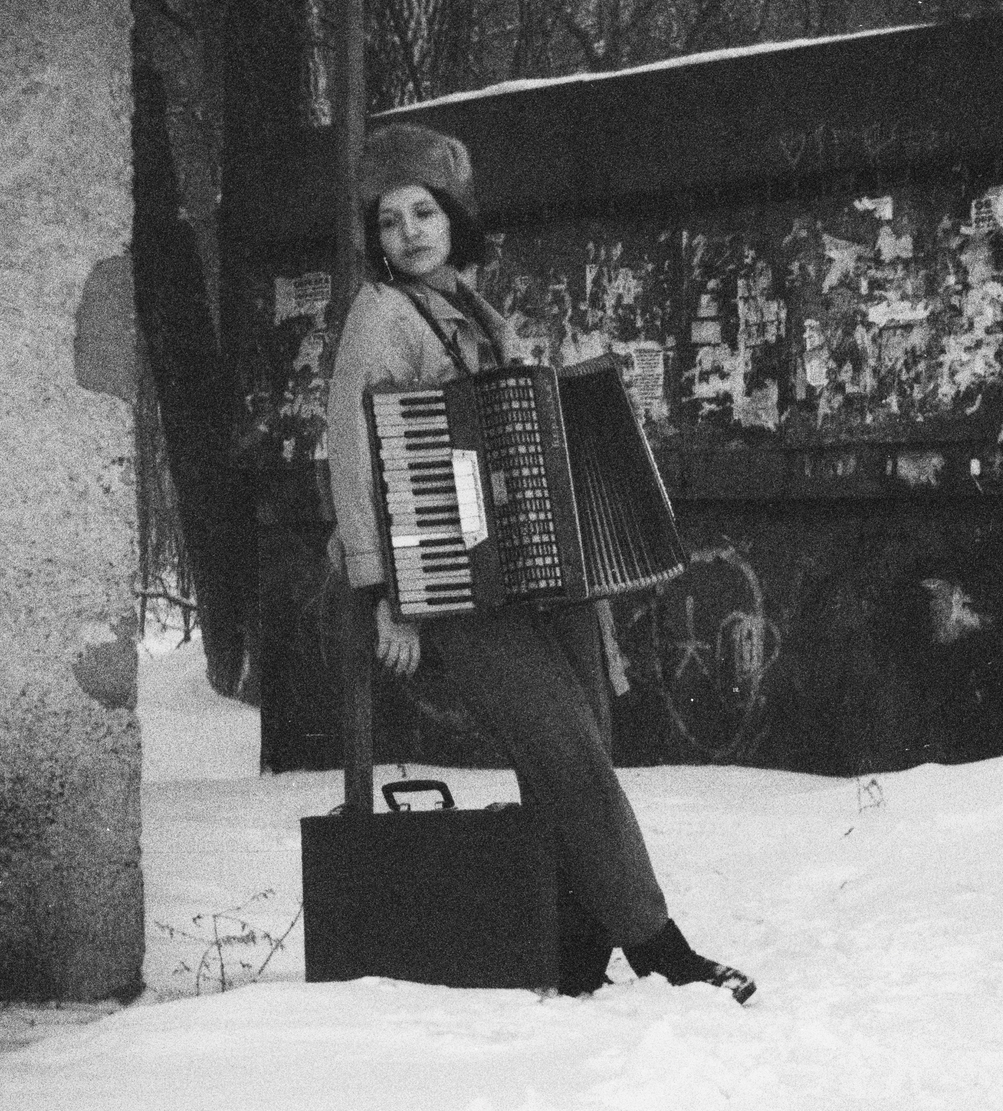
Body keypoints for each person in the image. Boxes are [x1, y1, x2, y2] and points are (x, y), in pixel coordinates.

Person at [322, 122, 756, 1004]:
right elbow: (354, 456)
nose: (408, 231)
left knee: (585, 739)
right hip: (449, 583)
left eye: (425, 211)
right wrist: (388, 596)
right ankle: (657, 942)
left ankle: (572, 953)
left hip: (534, 571)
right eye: (390, 218)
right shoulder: (381, 319)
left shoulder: (476, 311)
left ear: (454, 220)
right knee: (567, 754)